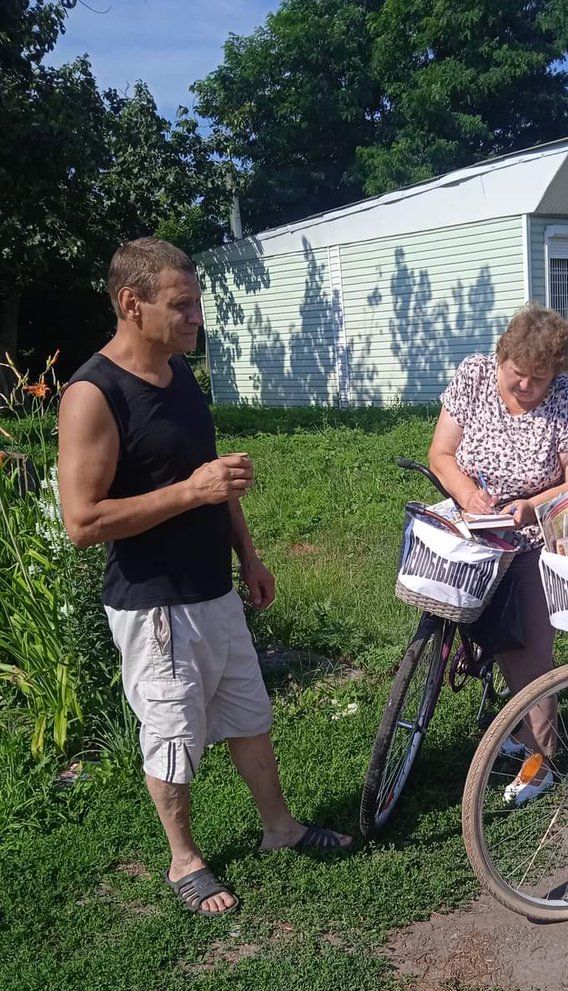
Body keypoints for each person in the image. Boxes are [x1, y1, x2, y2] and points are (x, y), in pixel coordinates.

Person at [57, 237, 351, 917]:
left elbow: (213, 480)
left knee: (249, 716)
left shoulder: (179, 374)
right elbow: (82, 520)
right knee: (173, 735)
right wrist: (191, 493)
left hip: (213, 589)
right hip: (153, 606)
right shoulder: (93, 394)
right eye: (182, 306)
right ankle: (183, 859)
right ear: (132, 305)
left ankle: (281, 827)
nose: (197, 319)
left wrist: (247, 555)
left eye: (196, 305)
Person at [428, 303, 568, 804]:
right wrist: (467, 494)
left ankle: (541, 757)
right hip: (472, 526)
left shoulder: (567, 400)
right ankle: (511, 716)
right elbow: (440, 453)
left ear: (557, 375)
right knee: (468, 618)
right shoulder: (474, 375)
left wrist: (533, 504)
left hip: (530, 536)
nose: (525, 386)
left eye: (538, 378)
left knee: (529, 647)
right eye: (517, 374)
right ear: (500, 357)